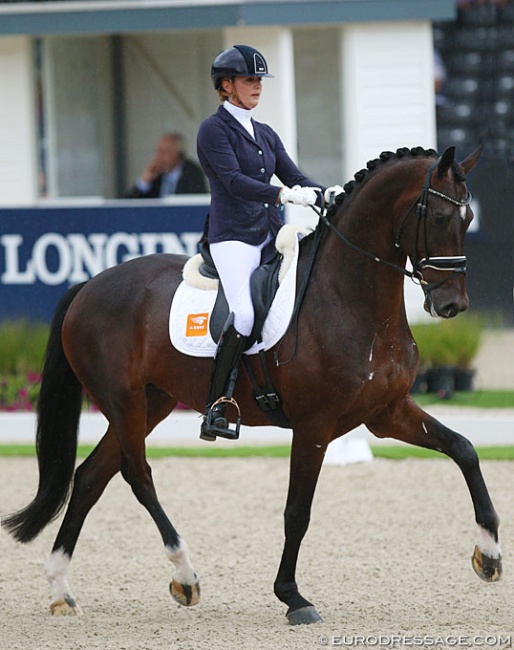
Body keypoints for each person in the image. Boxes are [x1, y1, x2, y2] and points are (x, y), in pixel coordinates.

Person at [196, 44, 343, 441]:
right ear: (226, 86)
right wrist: (281, 196)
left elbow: (293, 174)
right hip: (233, 239)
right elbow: (233, 182)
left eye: (260, 79)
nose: (257, 86)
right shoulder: (213, 130)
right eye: (249, 80)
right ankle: (216, 406)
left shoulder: (263, 132)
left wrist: (329, 193)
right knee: (243, 316)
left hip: (269, 237)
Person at [126, 132, 207, 198]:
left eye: (164, 152)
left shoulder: (193, 173)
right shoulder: (155, 175)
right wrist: (144, 182)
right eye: (157, 152)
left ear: (178, 154)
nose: (158, 157)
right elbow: (128, 206)